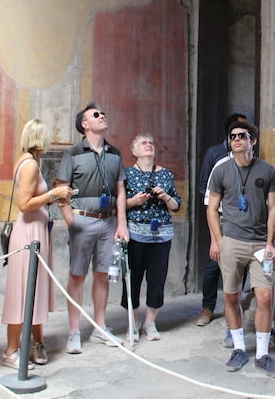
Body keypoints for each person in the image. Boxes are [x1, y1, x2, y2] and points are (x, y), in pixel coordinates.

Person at [206, 120, 275, 378]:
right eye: (232, 136)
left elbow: (273, 208)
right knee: (230, 296)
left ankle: (262, 354)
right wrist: (217, 240)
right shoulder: (221, 171)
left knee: (264, 297)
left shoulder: (267, 170)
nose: (236, 139)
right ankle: (239, 348)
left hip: (261, 243)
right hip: (232, 241)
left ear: (253, 141)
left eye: (242, 135)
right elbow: (212, 208)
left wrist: (271, 242)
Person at [55, 102, 129, 353]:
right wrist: (71, 220)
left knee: (102, 274)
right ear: (85, 125)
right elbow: (61, 189)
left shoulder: (115, 153)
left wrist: (121, 224)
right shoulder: (73, 153)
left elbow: (120, 191)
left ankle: (100, 327)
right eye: (96, 115)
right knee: (77, 275)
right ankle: (74, 330)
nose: (102, 116)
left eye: (103, 113)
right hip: (82, 220)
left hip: (108, 221)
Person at [2, 119, 74, 368]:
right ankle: (11, 351)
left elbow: (33, 199)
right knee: (23, 291)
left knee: (35, 289)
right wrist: (54, 194)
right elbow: (24, 204)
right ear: (39, 138)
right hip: (29, 232)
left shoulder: (27, 160)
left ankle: (35, 343)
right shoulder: (30, 164)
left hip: (36, 230)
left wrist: (51, 198)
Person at [121, 133, 182, 341]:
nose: (148, 145)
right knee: (133, 279)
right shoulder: (127, 174)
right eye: (143, 143)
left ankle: (150, 323)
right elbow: (118, 204)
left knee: (157, 280)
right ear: (134, 151)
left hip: (161, 236)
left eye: (151, 143)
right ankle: (133, 322)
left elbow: (176, 206)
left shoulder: (166, 174)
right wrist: (133, 202)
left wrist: (165, 197)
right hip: (136, 234)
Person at [196, 113, 247, 327]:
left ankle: (236, 308)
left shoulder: (250, 158)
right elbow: (204, 188)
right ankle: (207, 307)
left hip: (243, 221)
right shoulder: (214, 154)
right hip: (220, 217)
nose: (241, 136)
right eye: (238, 131)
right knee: (213, 266)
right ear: (229, 133)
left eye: (245, 132)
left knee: (241, 266)